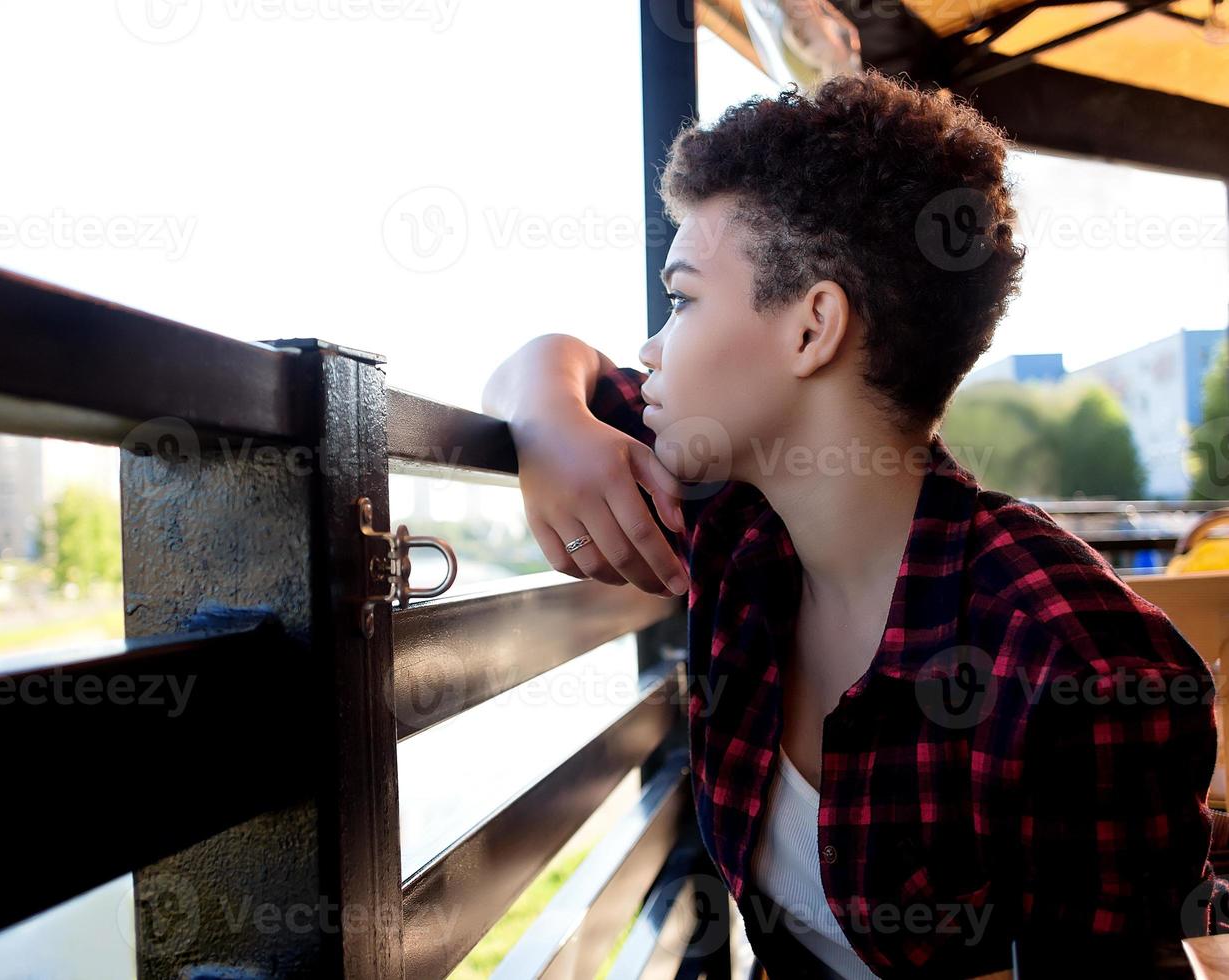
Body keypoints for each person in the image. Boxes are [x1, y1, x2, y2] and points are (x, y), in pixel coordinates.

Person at [482, 69, 1227, 978]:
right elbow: (564, 371)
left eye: (680, 300)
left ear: (812, 329)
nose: (650, 346)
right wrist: (539, 406)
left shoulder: (1074, 656)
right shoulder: (736, 527)